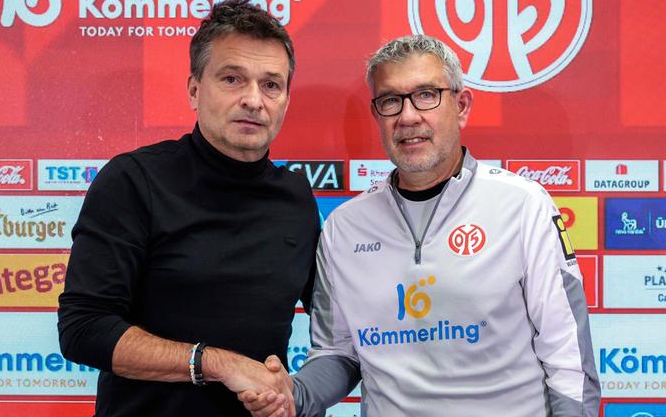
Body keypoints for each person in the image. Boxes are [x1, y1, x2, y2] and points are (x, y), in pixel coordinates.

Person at [240, 35, 601, 417]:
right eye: (391, 101)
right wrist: (292, 395)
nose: (408, 116)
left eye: (427, 95)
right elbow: (337, 353)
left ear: (461, 106)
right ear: (377, 115)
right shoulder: (344, 227)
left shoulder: (523, 205)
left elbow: (569, 363)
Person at [57, 0, 319, 417]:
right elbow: (83, 329)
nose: (254, 99)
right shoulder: (133, 180)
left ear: (286, 98)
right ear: (195, 90)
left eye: (272, 84)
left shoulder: (297, 197)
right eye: (233, 79)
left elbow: (338, 330)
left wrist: (290, 393)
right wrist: (216, 363)